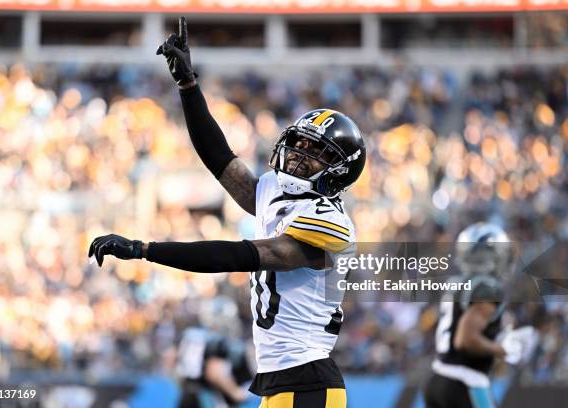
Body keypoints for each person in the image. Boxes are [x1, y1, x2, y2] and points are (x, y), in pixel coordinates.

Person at [88, 16, 366, 408]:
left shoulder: (331, 223)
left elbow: (240, 255)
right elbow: (219, 159)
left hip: (310, 384)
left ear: (340, 170)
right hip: (278, 384)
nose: (300, 156)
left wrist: (145, 249)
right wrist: (188, 87)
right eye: (300, 145)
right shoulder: (275, 194)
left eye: (315, 153)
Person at [424, 222, 537, 408]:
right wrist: (503, 350)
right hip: (465, 382)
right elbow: (464, 340)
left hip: (438, 378)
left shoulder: (456, 283)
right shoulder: (487, 289)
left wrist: (499, 337)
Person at [177, 297, 253, 408]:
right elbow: (214, 371)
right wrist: (235, 393)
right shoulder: (217, 341)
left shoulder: (190, 335)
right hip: (206, 397)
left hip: (187, 395)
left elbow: (175, 364)